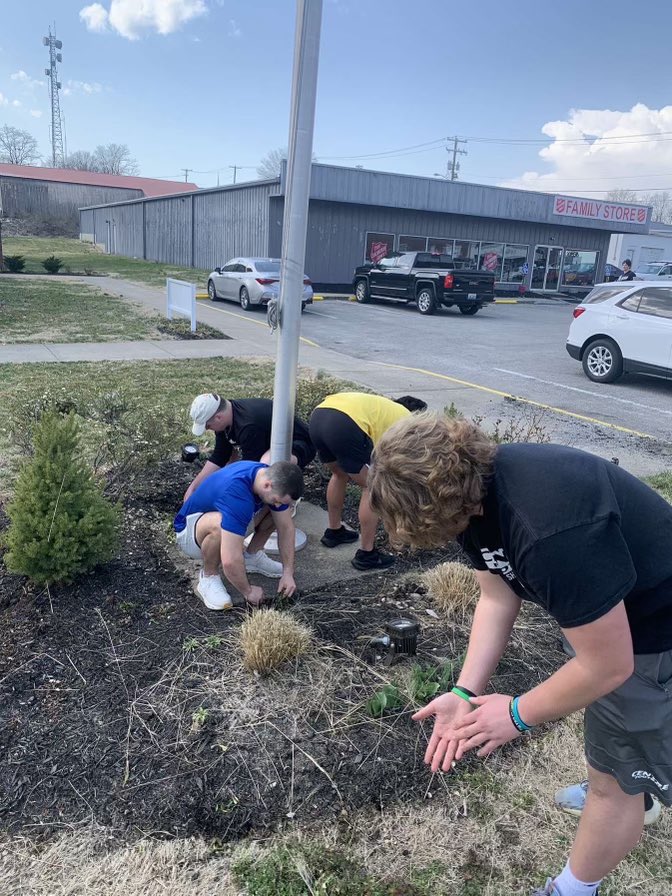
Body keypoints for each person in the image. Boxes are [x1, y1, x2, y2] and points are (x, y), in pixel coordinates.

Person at [367, 412, 672, 896]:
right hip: (616, 622)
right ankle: (632, 781)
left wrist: (516, 715)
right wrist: (464, 692)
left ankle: (581, 871)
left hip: (655, 633)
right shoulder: (473, 493)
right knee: (616, 752)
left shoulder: (547, 530)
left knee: (614, 786)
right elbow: (496, 596)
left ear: (437, 507)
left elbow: (608, 665)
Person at [309, 392, 427, 570]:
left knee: (339, 475)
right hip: (344, 423)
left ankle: (334, 532)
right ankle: (366, 554)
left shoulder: (380, 408)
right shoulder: (406, 419)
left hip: (319, 417)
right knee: (372, 486)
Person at [174, 460, 303, 610]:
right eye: (277, 500)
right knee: (219, 524)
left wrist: (288, 572)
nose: (278, 504)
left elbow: (286, 528)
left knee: (279, 514)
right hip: (190, 533)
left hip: (228, 518)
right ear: (267, 485)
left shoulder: (266, 476)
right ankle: (208, 576)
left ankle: (251, 557)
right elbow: (230, 560)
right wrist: (248, 591)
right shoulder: (238, 496)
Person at [184, 393, 315, 501]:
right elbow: (219, 456)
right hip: (268, 443)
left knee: (265, 466)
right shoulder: (228, 416)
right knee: (233, 469)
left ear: (218, 417)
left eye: (208, 426)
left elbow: (250, 467)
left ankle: (285, 499)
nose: (208, 429)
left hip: (299, 444)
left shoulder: (248, 425)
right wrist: (194, 487)